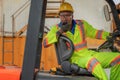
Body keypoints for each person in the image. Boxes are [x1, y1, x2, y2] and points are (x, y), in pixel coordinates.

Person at [43, 2, 120, 80]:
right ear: (59, 16)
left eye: (68, 15)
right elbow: (45, 43)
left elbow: (95, 33)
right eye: (62, 15)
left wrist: (112, 35)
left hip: (88, 54)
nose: (65, 18)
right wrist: (61, 31)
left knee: (118, 58)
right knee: (92, 62)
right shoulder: (55, 29)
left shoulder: (81, 24)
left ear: (72, 16)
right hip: (75, 59)